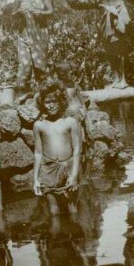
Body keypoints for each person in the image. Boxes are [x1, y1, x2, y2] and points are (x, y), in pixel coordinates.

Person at [69, 0, 133, 89]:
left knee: (121, 45)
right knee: (110, 47)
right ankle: (116, 78)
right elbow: (92, 2)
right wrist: (99, 5)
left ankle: (124, 79)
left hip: (120, 11)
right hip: (105, 14)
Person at [33, 78, 82, 216]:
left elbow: (77, 150)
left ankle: (74, 233)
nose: (51, 105)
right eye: (47, 102)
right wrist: (35, 179)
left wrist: (74, 174)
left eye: (54, 101)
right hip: (48, 170)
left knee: (73, 210)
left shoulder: (70, 122)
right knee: (53, 211)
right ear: (42, 103)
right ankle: (56, 236)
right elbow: (37, 153)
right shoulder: (39, 125)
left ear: (61, 101)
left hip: (69, 167)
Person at [12, 0, 54, 93]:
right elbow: (13, 14)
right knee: (25, 63)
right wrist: (18, 13)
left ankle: (43, 93)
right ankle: (24, 93)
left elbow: (51, 12)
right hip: (25, 34)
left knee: (40, 63)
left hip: (40, 33)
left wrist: (41, 13)